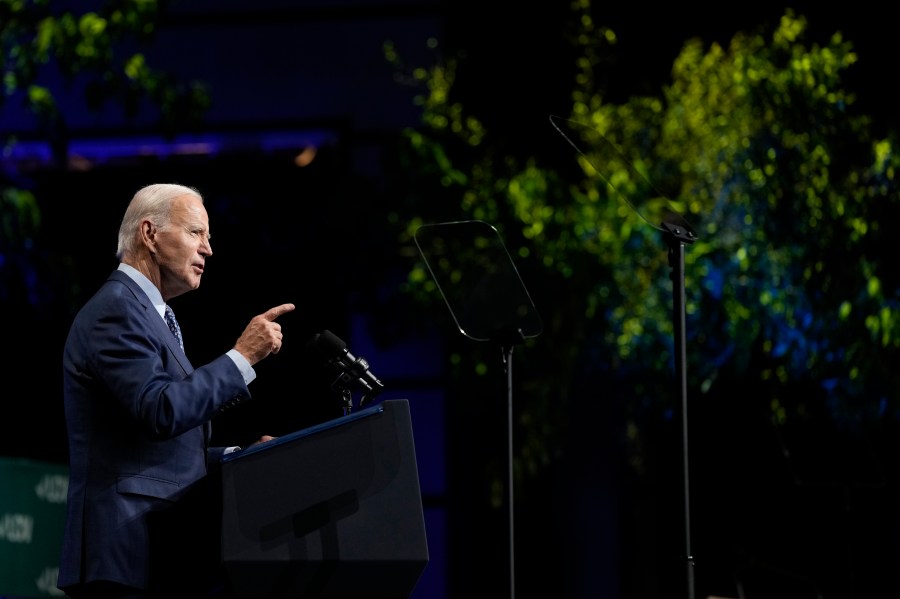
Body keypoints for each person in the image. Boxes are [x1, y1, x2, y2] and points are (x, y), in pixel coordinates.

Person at [57, 183, 295, 598]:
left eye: (208, 237)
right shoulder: (116, 309)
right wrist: (242, 357)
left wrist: (240, 460)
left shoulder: (152, 313)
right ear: (150, 234)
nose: (208, 249)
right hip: (123, 553)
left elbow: (158, 449)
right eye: (195, 233)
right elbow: (161, 410)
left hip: (158, 550)